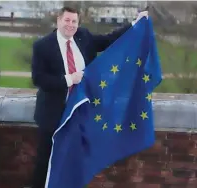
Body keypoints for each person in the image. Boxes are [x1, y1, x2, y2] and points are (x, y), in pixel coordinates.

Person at [30, 6, 148, 188]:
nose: (70, 25)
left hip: (79, 113)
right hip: (53, 115)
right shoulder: (42, 46)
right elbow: (38, 79)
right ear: (58, 21)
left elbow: (109, 40)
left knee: (74, 159)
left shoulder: (83, 37)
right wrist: (69, 79)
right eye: (67, 20)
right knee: (46, 160)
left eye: (74, 21)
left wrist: (135, 24)